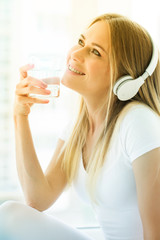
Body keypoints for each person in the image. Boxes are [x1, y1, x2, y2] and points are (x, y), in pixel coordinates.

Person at [0, 13, 160, 240]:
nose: (75, 53)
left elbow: (156, 233)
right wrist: (20, 116)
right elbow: (38, 199)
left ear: (126, 79)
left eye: (95, 52)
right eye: (81, 42)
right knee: (9, 215)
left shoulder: (138, 123)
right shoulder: (79, 126)